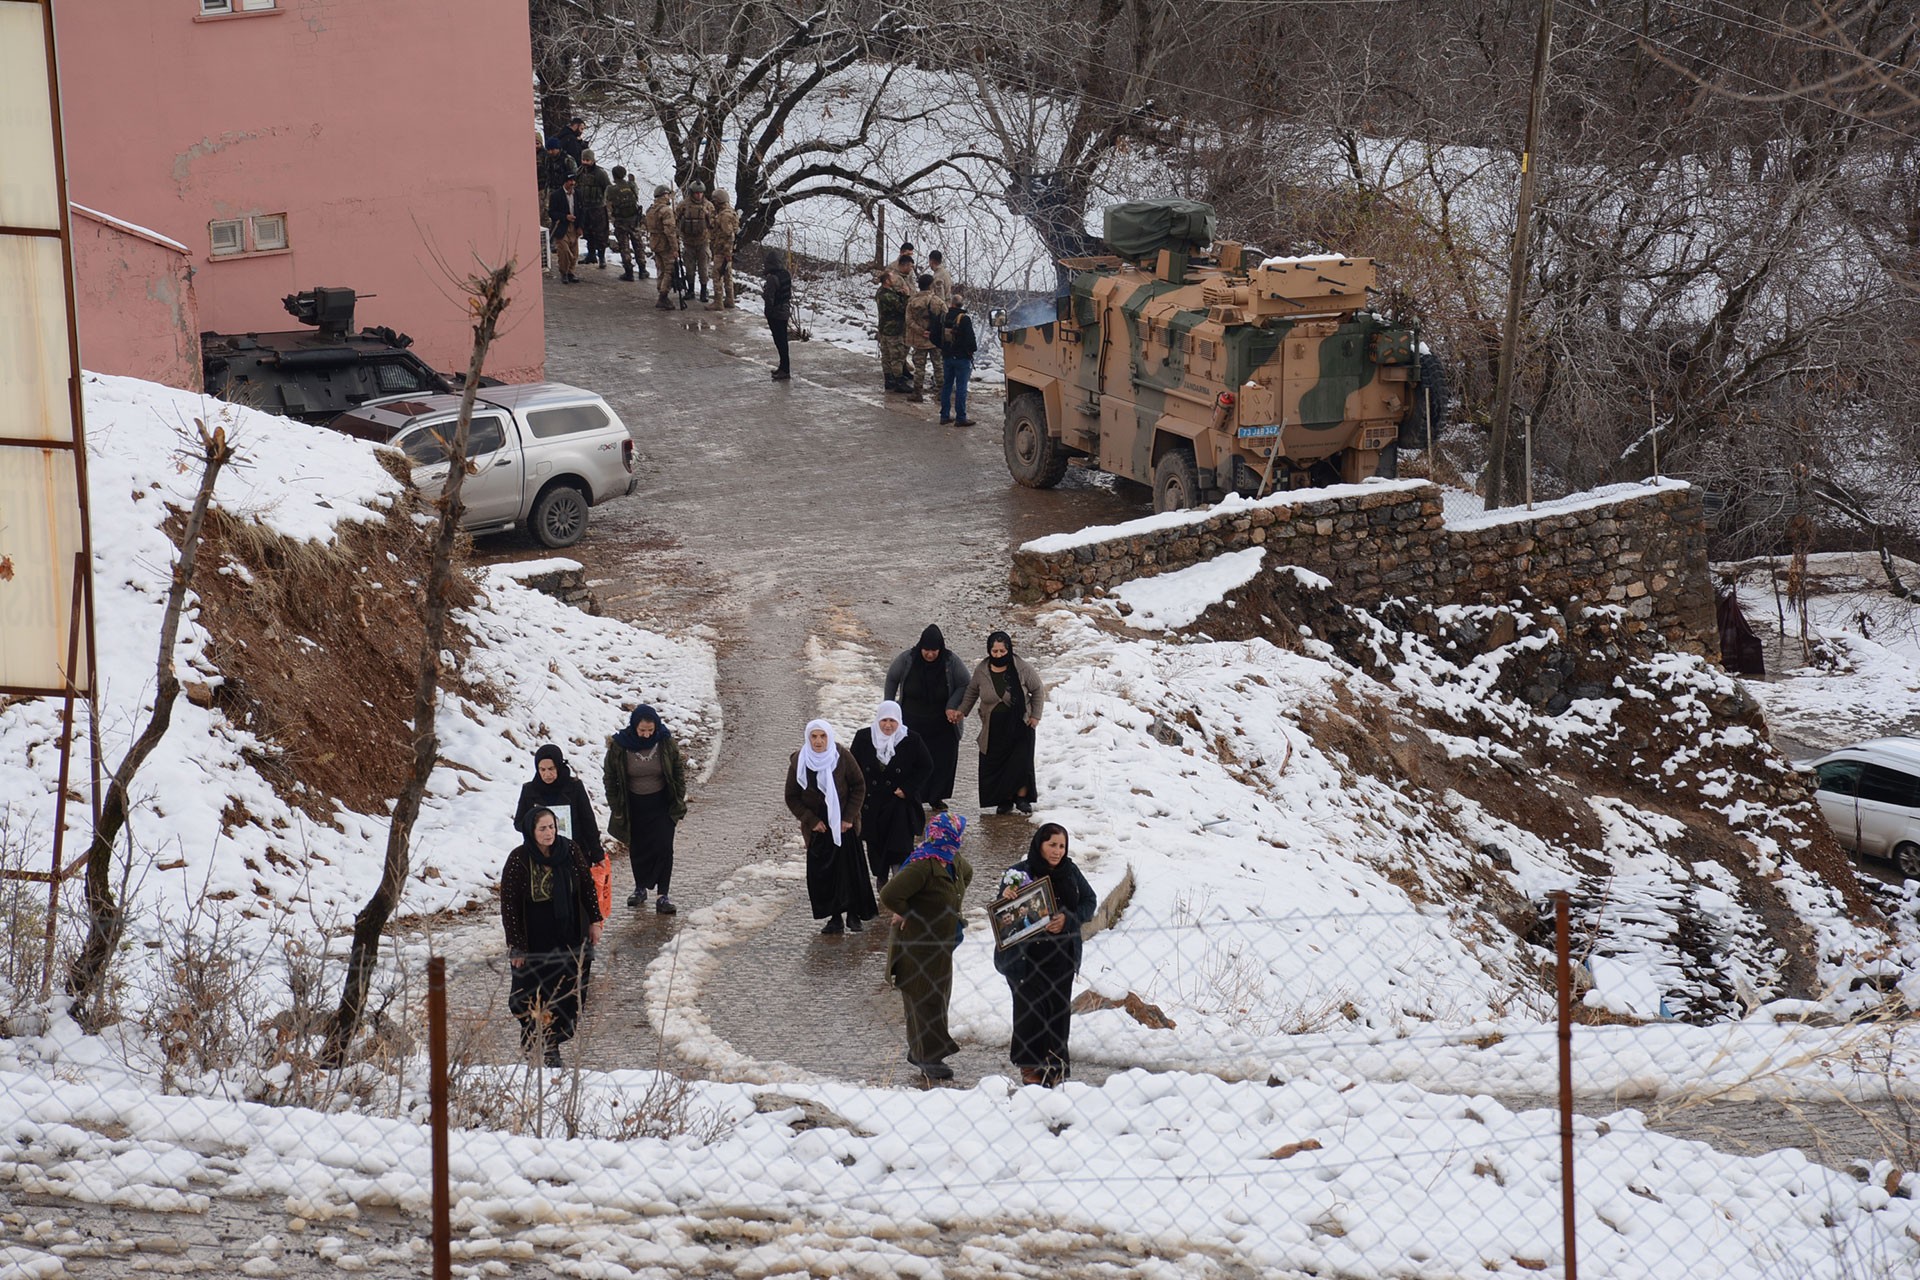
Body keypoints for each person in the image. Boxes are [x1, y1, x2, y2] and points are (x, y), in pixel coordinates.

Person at [501, 806, 603, 1067]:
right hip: (534, 936)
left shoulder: (569, 850)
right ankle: (539, 1043)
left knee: (566, 992)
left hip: (568, 933)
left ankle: (551, 1044)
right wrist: (517, 946)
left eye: (552, 827)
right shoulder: (519, 859)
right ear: (531, 831)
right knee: (532, 993)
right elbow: (510, 906)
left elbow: (586, 886)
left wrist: (595, 920)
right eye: (542, 828)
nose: (549, 833)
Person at [996, 823, 1096, 1086]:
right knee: (1029, 1012)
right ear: (1039, 844)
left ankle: (1055, 1067)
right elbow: (1004, 916)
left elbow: (1089, 901)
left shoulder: (1070, 871)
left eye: (1062, 846)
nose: (1057, 851)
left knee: (1057, 1012)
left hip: (1061, 956)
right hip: (1027, 958)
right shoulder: (1019, 873)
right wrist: (1007, 896)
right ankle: (1030, 1066)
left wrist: (1068, 919)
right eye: (1052, 844)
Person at [877, 811, 974, 1080]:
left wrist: (953, 907)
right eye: (958, 833)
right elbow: (889, 894)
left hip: (942, 943)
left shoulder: (952, 859)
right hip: (918, 945)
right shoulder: (923, 864)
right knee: (923, 998)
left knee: (938, 996)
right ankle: (927, 1057)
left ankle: (921, 1050)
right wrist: (909, 911)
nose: (960, 838)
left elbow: (967, 874)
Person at [785, 719, 873, 934]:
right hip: (819, 828)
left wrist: (849, 817)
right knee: (825, 873)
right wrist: (811, 820)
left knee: (850, 870)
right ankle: (834, 917)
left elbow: (859, 785)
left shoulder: (841, 756)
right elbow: (792, 797)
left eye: (822, 736)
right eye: (814, 737)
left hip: (844, 825)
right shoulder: (800, 761)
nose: (818, 741)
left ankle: (854, 914)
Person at [604, 704, 688, 914]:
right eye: (642, 730)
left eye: (650, 730)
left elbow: (678, 770)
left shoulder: (665, 742)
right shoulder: (620, 745)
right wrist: (616, 806)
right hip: (634, 805)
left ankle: (663, 895)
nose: (646, 734)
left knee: (663, 847)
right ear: (634, 726)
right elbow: (610, 777)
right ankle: (640, 888)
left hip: (662, 804)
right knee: (639, 848)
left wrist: (678, 797)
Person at [958, 630, 1046, 814]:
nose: (998, 655)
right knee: (998, 762)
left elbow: (1037, 690)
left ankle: (1022, 798)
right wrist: (961, 711)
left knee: (1020, 762)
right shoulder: (982, 670)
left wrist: (1035, 716)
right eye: (994, 651)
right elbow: (972, 691)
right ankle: (1004, 799)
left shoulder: (1021, 668)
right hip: (994, 726)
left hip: (1021, 723)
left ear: (1009, 650)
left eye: (1002, 652)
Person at [883, 624, 970, 810]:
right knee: (912, 760)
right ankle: (911, 794)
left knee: (942, 762)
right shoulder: (907, 659)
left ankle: (936, 797)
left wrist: (952, 706)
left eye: (934, 650)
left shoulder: (951, 661)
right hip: (911, 721)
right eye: (926, 650)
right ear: (920, 647)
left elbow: (965, 683)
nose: (930, 655)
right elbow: (892, 678)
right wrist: (888, 707)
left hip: (941, 723)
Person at [850, 700, 933, 889]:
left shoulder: (911, 739)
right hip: (872, 805)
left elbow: (926, 767)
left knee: (900, 848)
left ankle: (898, 886)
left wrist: (908, 788)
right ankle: (881, 879)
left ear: (899, 721)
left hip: (899, 805)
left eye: (892, 721)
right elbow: (853, 769)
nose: (888, 725)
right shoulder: (863, 737)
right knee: (876, 848)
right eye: (884, 720)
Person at [938, 291, 977, 425]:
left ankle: (944, 416)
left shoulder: (944, 316)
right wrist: (971, 351)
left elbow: (935, 334)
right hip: (961, 358)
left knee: (947, 386)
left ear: (951, 303)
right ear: (961, 305)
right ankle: (960, 418)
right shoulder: (964, 319)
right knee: (961, 387)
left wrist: (942, 348)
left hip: (947, 356)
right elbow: (971, 340)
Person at [903, 273, 941, 404]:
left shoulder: (912, 301)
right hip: (935, 340)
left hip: (918, 340)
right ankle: (941, 392)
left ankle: (917, 393)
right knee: (938, 365)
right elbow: (945, 317)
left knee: (919, 367)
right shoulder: (937, 301)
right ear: (931, 286)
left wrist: (921, 331)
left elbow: (908, 320)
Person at [677, 181, 714, 303]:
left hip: (703, 242)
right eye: (696, 193)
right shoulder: (683, 205)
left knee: (703, 269)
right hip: (688, 242)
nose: (699, 195)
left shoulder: (708, 206)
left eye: (701, 193)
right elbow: (676, 221)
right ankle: (690, 290)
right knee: (689, 268)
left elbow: (713, 224)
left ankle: (704, 291)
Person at [644, 185, 680, 310]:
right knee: (669, 270)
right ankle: (663, 296)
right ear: (664, 195)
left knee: (660, 269)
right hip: (665, 244)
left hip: (654, 242)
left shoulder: (650, 209)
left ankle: (661, 291)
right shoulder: (666, 211)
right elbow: (670, 231)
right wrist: (675, 248)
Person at [574, 149, 612, 268]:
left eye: (587, 160)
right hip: (585, 208)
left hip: (598, 208)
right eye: (583, 160)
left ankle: (601, 257)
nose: (585, 162)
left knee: (600, 234)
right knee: (588, 232)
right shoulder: (579, 172)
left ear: (592, 160)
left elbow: (608, 188)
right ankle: (591, 255)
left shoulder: (600, 173)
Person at [609, 168, 646, 281]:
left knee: (624, 246)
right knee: (638, 244)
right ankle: (642, 270)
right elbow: (636, 196)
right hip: (634, 220)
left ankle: (628, 272)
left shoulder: (611, 189)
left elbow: (609, 202)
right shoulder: (631, 185)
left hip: (620, 221)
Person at [875, 269, 909, 393]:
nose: (895, 280)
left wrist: (899, 294)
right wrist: (906, 296)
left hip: (884, 329)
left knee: (886, 356)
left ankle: (889, 379)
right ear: (887, 281)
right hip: (893, 330)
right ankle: (898, 380)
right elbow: (902, 309)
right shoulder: (888, 296)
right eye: (892, 278)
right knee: (896, 356)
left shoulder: (882, 292)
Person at [706, 189, 739, 310]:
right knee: (727, 275)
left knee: (717, 275)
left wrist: (726, 252)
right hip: (727, 250)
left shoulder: (724, 215)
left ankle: (718, 302)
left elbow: (728, 234)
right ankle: (730, 300)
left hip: (722, 250)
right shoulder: (730, 212)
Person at [764, 248, 793, 380]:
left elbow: (769, 298)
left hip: (775, 314)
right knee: (783, 341)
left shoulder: (772, 279)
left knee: (779, 341)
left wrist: (768, 313)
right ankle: (783, 367)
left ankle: (784, 369)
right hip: (785, 311)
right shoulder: (786, 274)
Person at [547, 175, 582, 285]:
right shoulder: (556, 195)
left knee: (574, 252)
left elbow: (582, 211)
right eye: (569, 181)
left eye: (573, 181)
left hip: (574, 227)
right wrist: (565, 217)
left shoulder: (578, 194)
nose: (572, 183)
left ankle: (571, 272)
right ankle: (564, 273)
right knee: (564, 252)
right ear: (565, 182)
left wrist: (580, 226)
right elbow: (552, 213)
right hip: (561, 227)